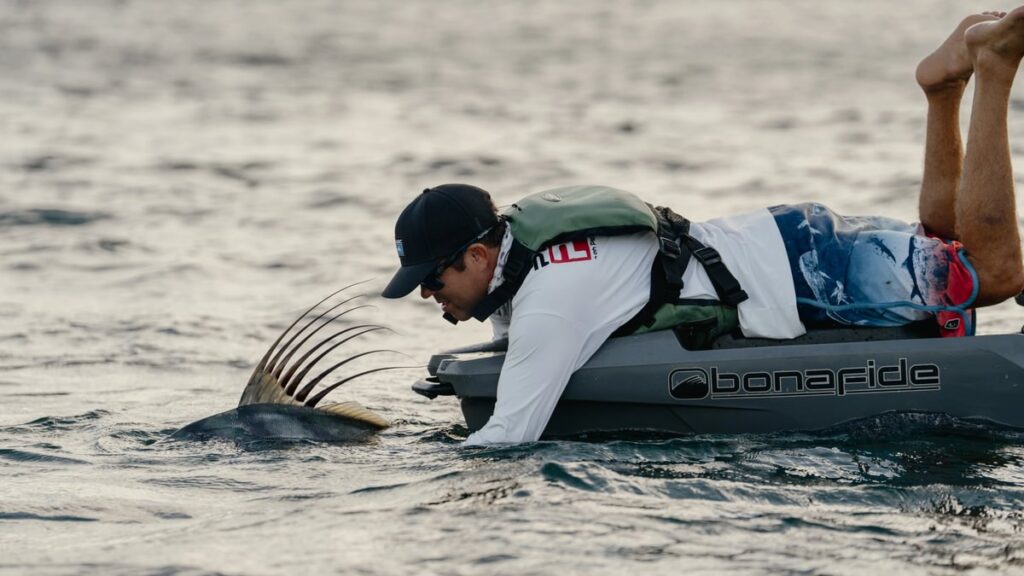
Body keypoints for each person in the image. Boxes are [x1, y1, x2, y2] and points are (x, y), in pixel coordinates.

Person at [382, 10, 1024, 446]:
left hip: (806, 273)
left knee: (991, 274)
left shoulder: (551, 297)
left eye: (432, 279)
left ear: (475, 253)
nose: (426, 296)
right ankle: (943, 90)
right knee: (948, 256)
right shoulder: (523, 254)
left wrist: (398, 463)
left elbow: (509, 438)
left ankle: (994, 68)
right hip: (786, 247)